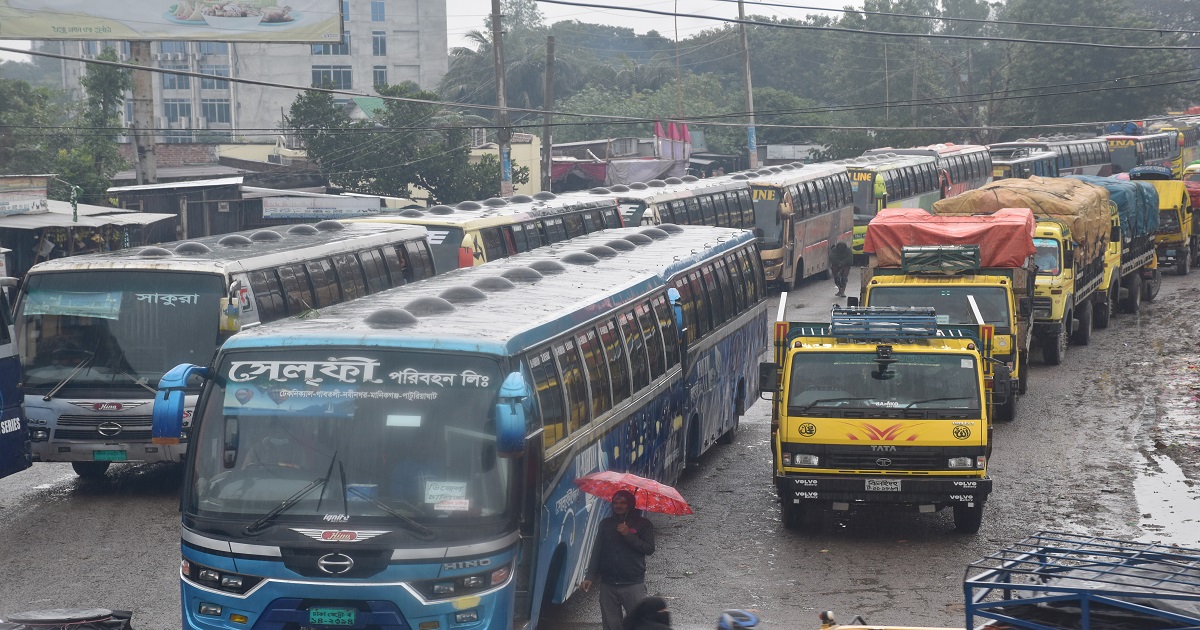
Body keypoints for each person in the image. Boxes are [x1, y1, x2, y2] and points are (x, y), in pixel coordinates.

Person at [580, 489, 656, 630]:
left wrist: (628, 535)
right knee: (611, 625)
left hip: (633, 584)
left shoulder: (644, 524)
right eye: (615, 502)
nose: (618, 506)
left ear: (630, 505)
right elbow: (597, 551)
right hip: (608, 584)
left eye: (623, 503)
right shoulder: (605, 524)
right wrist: (589, 576)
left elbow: (649, 548)